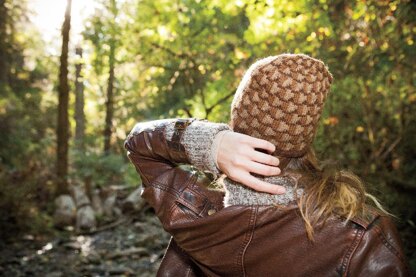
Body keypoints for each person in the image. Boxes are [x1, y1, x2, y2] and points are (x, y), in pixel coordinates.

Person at [125, 54, 410, 276]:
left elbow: (138, 143)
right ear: (307, 133)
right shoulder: (360, 234)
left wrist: (210, 143)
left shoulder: (195, 212)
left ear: (236, 123)